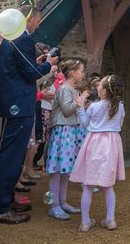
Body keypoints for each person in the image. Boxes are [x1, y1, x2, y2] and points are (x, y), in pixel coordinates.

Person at [0, 5, 58, 225]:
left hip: (12, 104)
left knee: (10, 154)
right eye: (38, 19)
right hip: (19, 104)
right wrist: (49, 65)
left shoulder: (10, 40)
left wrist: (36, 63)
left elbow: (19, 68)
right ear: (31, 18)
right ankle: (0, 208)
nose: (38, 23)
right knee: (12, 156)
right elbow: (31, 74)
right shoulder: (24, 40)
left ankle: (4, 200)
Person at [71, 75, 125, 232]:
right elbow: (119, 124)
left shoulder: (94, 106)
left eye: (100, 85)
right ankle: (110, 220)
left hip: (94, 143)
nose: (97, 87)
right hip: (112, 144)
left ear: (105, 91)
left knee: (87, 186)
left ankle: (85, 222)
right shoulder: (120, 106)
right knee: (108, 186)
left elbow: (85, 123)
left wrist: (81, 107)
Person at [44, 59, 86, 220]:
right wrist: (80, 102)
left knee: (65, 170)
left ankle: (62, 201)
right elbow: (68, 111)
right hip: (63, 132)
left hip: (71, 131)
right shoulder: (64, 89)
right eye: (81, 71)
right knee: (57, 170)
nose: (83, 74)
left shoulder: (72, 90)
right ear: (73, 73)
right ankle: (54, 205)